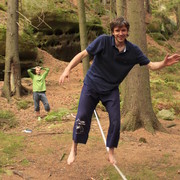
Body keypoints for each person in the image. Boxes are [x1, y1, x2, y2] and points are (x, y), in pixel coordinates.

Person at [59, 17, 180, 165]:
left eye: (123, 30)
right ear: (112, 32)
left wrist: (164, 63)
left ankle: (110, 152)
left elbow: (151, 65)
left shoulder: (133, 51)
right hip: (92, 85)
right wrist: (67, 69)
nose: (120, 33)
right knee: (82, 116)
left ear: (127, 32)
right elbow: (83, 54)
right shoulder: (103, 41)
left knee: (116, 120)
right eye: (117, 30)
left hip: (110, 89)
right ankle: (74, 147)